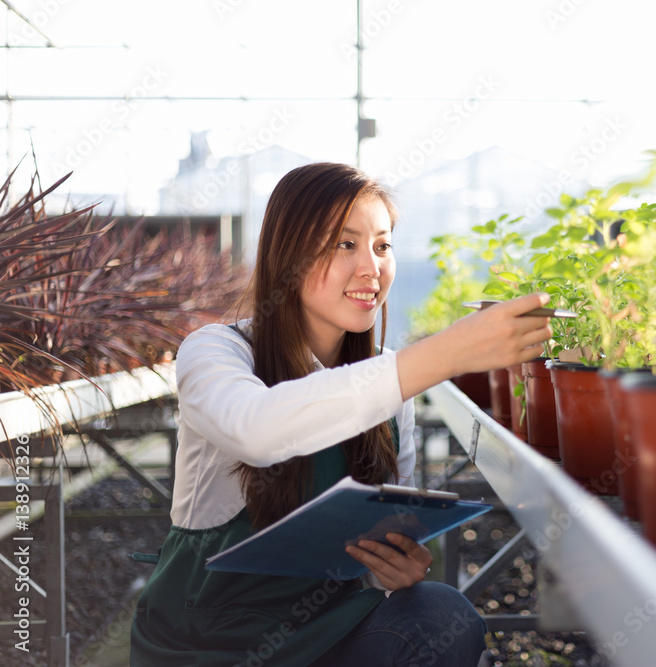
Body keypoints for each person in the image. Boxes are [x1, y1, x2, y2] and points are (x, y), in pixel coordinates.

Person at [129, 162, 552, 666]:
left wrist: (393, 567)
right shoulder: (216, 351)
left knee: (442, 613)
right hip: (206, 641)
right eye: (344, 243)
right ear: (287, 254)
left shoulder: (391, 387)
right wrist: (446, 355)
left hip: (322, 633)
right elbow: (256, 429)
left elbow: (384, 545)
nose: (371, 268)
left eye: (382, 245)